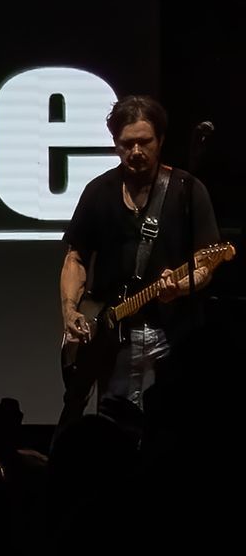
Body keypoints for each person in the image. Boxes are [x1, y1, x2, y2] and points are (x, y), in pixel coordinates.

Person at [58, 95, 220, 430]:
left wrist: (182, 286)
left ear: (160, 140)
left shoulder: (187, 191)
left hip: (173, 334)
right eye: (126, 143)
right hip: (112, 334)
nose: (135, 152)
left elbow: (206, 263)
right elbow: (75, 257)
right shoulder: (98, 192)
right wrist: (70, 309)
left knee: (176, 425)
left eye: (144, 142)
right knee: (112, 430)